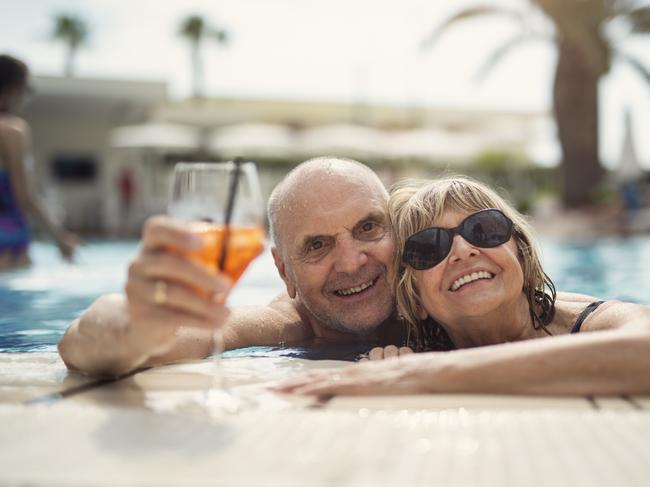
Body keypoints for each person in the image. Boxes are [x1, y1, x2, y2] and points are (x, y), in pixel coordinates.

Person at [275, 176, 650, 396]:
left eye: (484, 230)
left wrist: (429, 375)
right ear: (415, 298)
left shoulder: (593, 321)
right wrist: (392, 366)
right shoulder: (411, 347)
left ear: (520, 251)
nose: (463, 251)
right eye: (429, 247)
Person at [58, 157, 411, 377]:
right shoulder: (288, 325)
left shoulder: (433, 291)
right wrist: (136, 327)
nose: (351, 263)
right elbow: (79, 345)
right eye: (317, 245)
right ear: (283, 271)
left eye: (368, 228)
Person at [0, 54, 77, 270]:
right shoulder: (12, 130)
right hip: (8, 243)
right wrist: (60, 238)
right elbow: (26, 197)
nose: (26, 98)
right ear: (12, 89)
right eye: (26, 90)